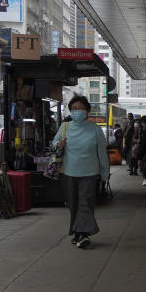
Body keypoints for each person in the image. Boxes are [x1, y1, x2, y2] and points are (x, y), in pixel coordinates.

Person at [52, 95, 108, 249]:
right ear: (70, 111)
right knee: (74, 204)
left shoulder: (95, 129)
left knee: (85, 203)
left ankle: (83, 234)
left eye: (80, 108)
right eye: (74, 109)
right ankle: (77, 233)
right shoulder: (65, 127)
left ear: (88, 111)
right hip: (69, 173)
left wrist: (105, 173)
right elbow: (54, 142)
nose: (77, 111)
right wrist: (59, 143)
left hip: (89, 173)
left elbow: (102, 153)